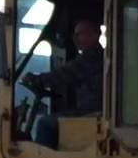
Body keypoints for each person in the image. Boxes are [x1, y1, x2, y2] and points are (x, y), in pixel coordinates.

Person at [21, 20, 104, 149]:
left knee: (45, 124)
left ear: (95, 35)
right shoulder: (95, 57)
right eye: (75, 35)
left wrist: (37, 79)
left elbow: (62, 75)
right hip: (92, 110)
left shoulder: (91, 58)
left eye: (80, 34)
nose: (75, 39)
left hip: (92, 112)